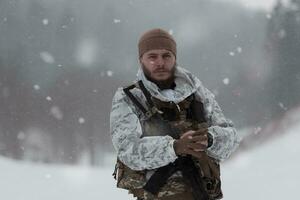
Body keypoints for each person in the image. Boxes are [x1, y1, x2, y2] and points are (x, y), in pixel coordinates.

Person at [110, 28, 239, 200]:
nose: (160, 62)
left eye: (166, 56)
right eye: (152, 57)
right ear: (141, 60)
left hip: (202, 192)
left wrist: (209, 139)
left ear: (175, 58)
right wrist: (174, 147)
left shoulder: (197, 92)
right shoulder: (130, 98)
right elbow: (127, 150)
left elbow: (231, 137)